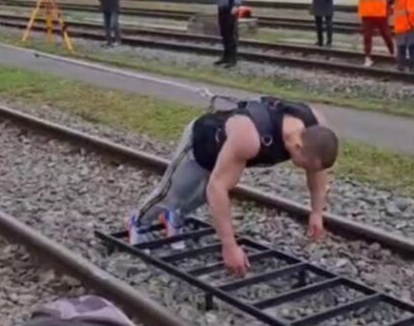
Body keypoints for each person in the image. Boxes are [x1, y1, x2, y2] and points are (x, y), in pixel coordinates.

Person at [126, 95, 339, 276]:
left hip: (227, 152)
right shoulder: (251, 137)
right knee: (172, 193)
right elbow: (217, 188)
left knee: (200, 195)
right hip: (202, 144)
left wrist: (317, 212)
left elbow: (317, 172)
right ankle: (139, 221)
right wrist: (229, 246)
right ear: (298, 146)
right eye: (307, 166)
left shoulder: (315, 126)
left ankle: (176, 218)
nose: (309, 171)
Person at [205, 0, 243, 67]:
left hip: (231, 8)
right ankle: (226, 56)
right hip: (221, 8)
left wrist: (236, 5)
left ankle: (233, 59)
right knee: (224, 33)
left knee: (231, 34)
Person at [357, 0, 394, 67]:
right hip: (367, 14)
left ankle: (392, 52)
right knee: (367, 37)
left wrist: (390, 8)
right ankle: (368, 58)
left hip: (381, 14)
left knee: (387, 35)